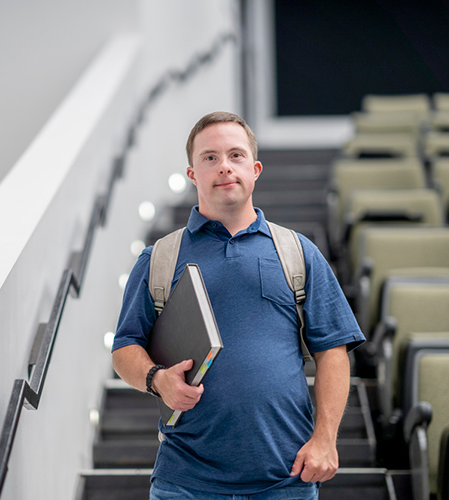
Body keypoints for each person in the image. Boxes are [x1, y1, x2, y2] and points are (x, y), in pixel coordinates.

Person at [111, 111, 365, 499]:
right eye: (209, 158)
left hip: (286, 478)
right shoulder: (159, 258)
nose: (224, 167)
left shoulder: (298, 253)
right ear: (192, 174)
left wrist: (325, 439)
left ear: (255, 168)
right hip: (185, 482)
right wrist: (156, 380)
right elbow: (125, 347)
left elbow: (333, 351)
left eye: (236, 155)